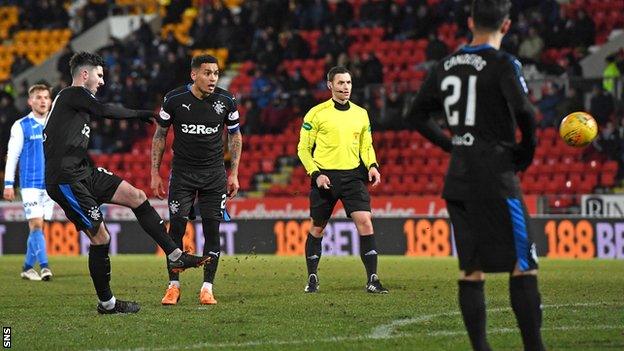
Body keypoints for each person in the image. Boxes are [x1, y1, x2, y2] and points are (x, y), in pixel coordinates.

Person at [408, 1, 545, 350]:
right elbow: (526, 113)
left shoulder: (445, 64)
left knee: (471, 269)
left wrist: (452, 145)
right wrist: (525, 152)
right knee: (523, 264)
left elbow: (416, 115)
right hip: (497, 177)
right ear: (507, 25)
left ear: (470, 22)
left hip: (458, 179)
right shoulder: (503, 63)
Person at [43, 52, 210, 314]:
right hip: (66, 180)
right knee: (101, 237)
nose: (102, 82)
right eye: (99, 76)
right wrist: (137, 114)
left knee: (136, 196)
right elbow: (104, 110)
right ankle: (107, 303)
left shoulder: (75, 102)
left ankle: (175, 255)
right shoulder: (70, 94)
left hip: (83, 172)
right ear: (84, 75)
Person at [152, 54, 242, 306]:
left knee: (212, 229)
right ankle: (173, 286)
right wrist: (154, 173)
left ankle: (207, 288)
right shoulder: (174, 99)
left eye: (216, 73)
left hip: (214, 176)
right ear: (194, 75)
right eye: (207, 73)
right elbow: (160, 135)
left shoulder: (226, 100)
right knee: (177, 228)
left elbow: (235, 136)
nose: (213, 78)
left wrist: (233, 173)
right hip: (182, 175)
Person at [297, 66, 387, 294]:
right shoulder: (316, 114)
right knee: (318, 227)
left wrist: (373, 165)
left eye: (348, 83)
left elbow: (366, 146)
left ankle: (373, 279)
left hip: (353, 176)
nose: (346, 87)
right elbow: (303, 149)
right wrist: (315, 174)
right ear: (330, 85)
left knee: (365, 221)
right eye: (341, 83)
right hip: (324, 176)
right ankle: (312, 277)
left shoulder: (361, 114)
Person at [3, 84, 55, 281]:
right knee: (35, 225)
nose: (42, 101)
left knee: (40, 228)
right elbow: (13, 155)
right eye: (38, 97)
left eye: (46, 97)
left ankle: (26, 267)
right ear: (30, 101)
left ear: (50, 101)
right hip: (30, 183)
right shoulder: (21, 125)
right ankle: (44, 267)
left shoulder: (55, 124)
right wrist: (8, 184)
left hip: (51, 184)